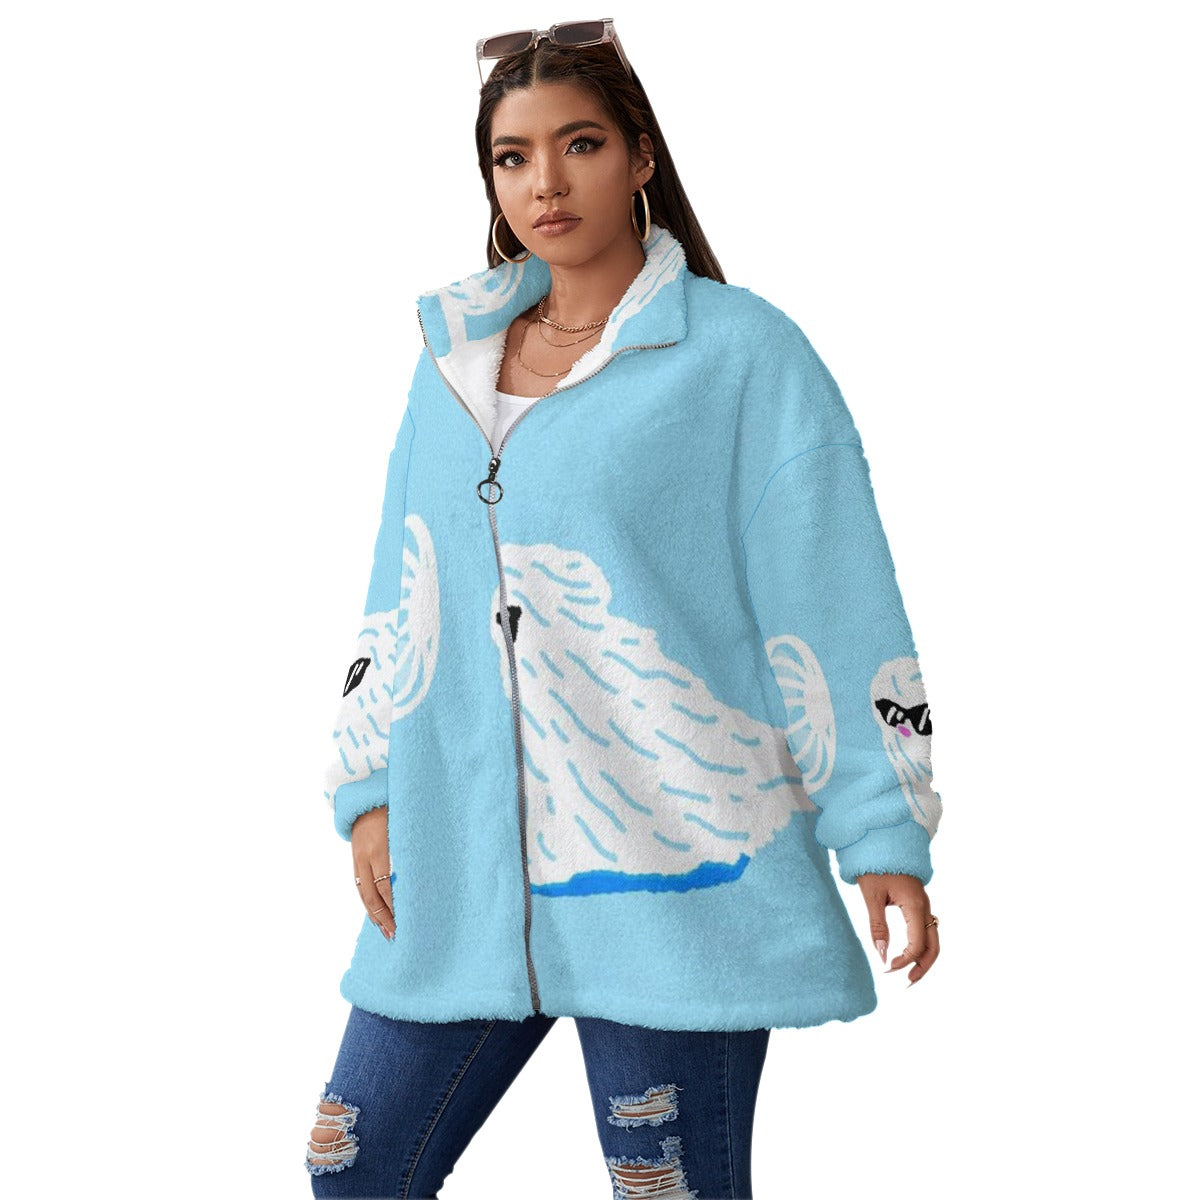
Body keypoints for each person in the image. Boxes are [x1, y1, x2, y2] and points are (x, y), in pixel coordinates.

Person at [307, 19, 944, 1199]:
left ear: (641, 156)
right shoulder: (450, 364)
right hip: (466, 866)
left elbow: (834, 595)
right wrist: (371, 788)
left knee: (669, 1191)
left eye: (581, 144)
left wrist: (882, 830)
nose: (544, 183)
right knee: (353, 1166)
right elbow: (402, 588)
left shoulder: (743, 356)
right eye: (512, 157)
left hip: (674, 869)